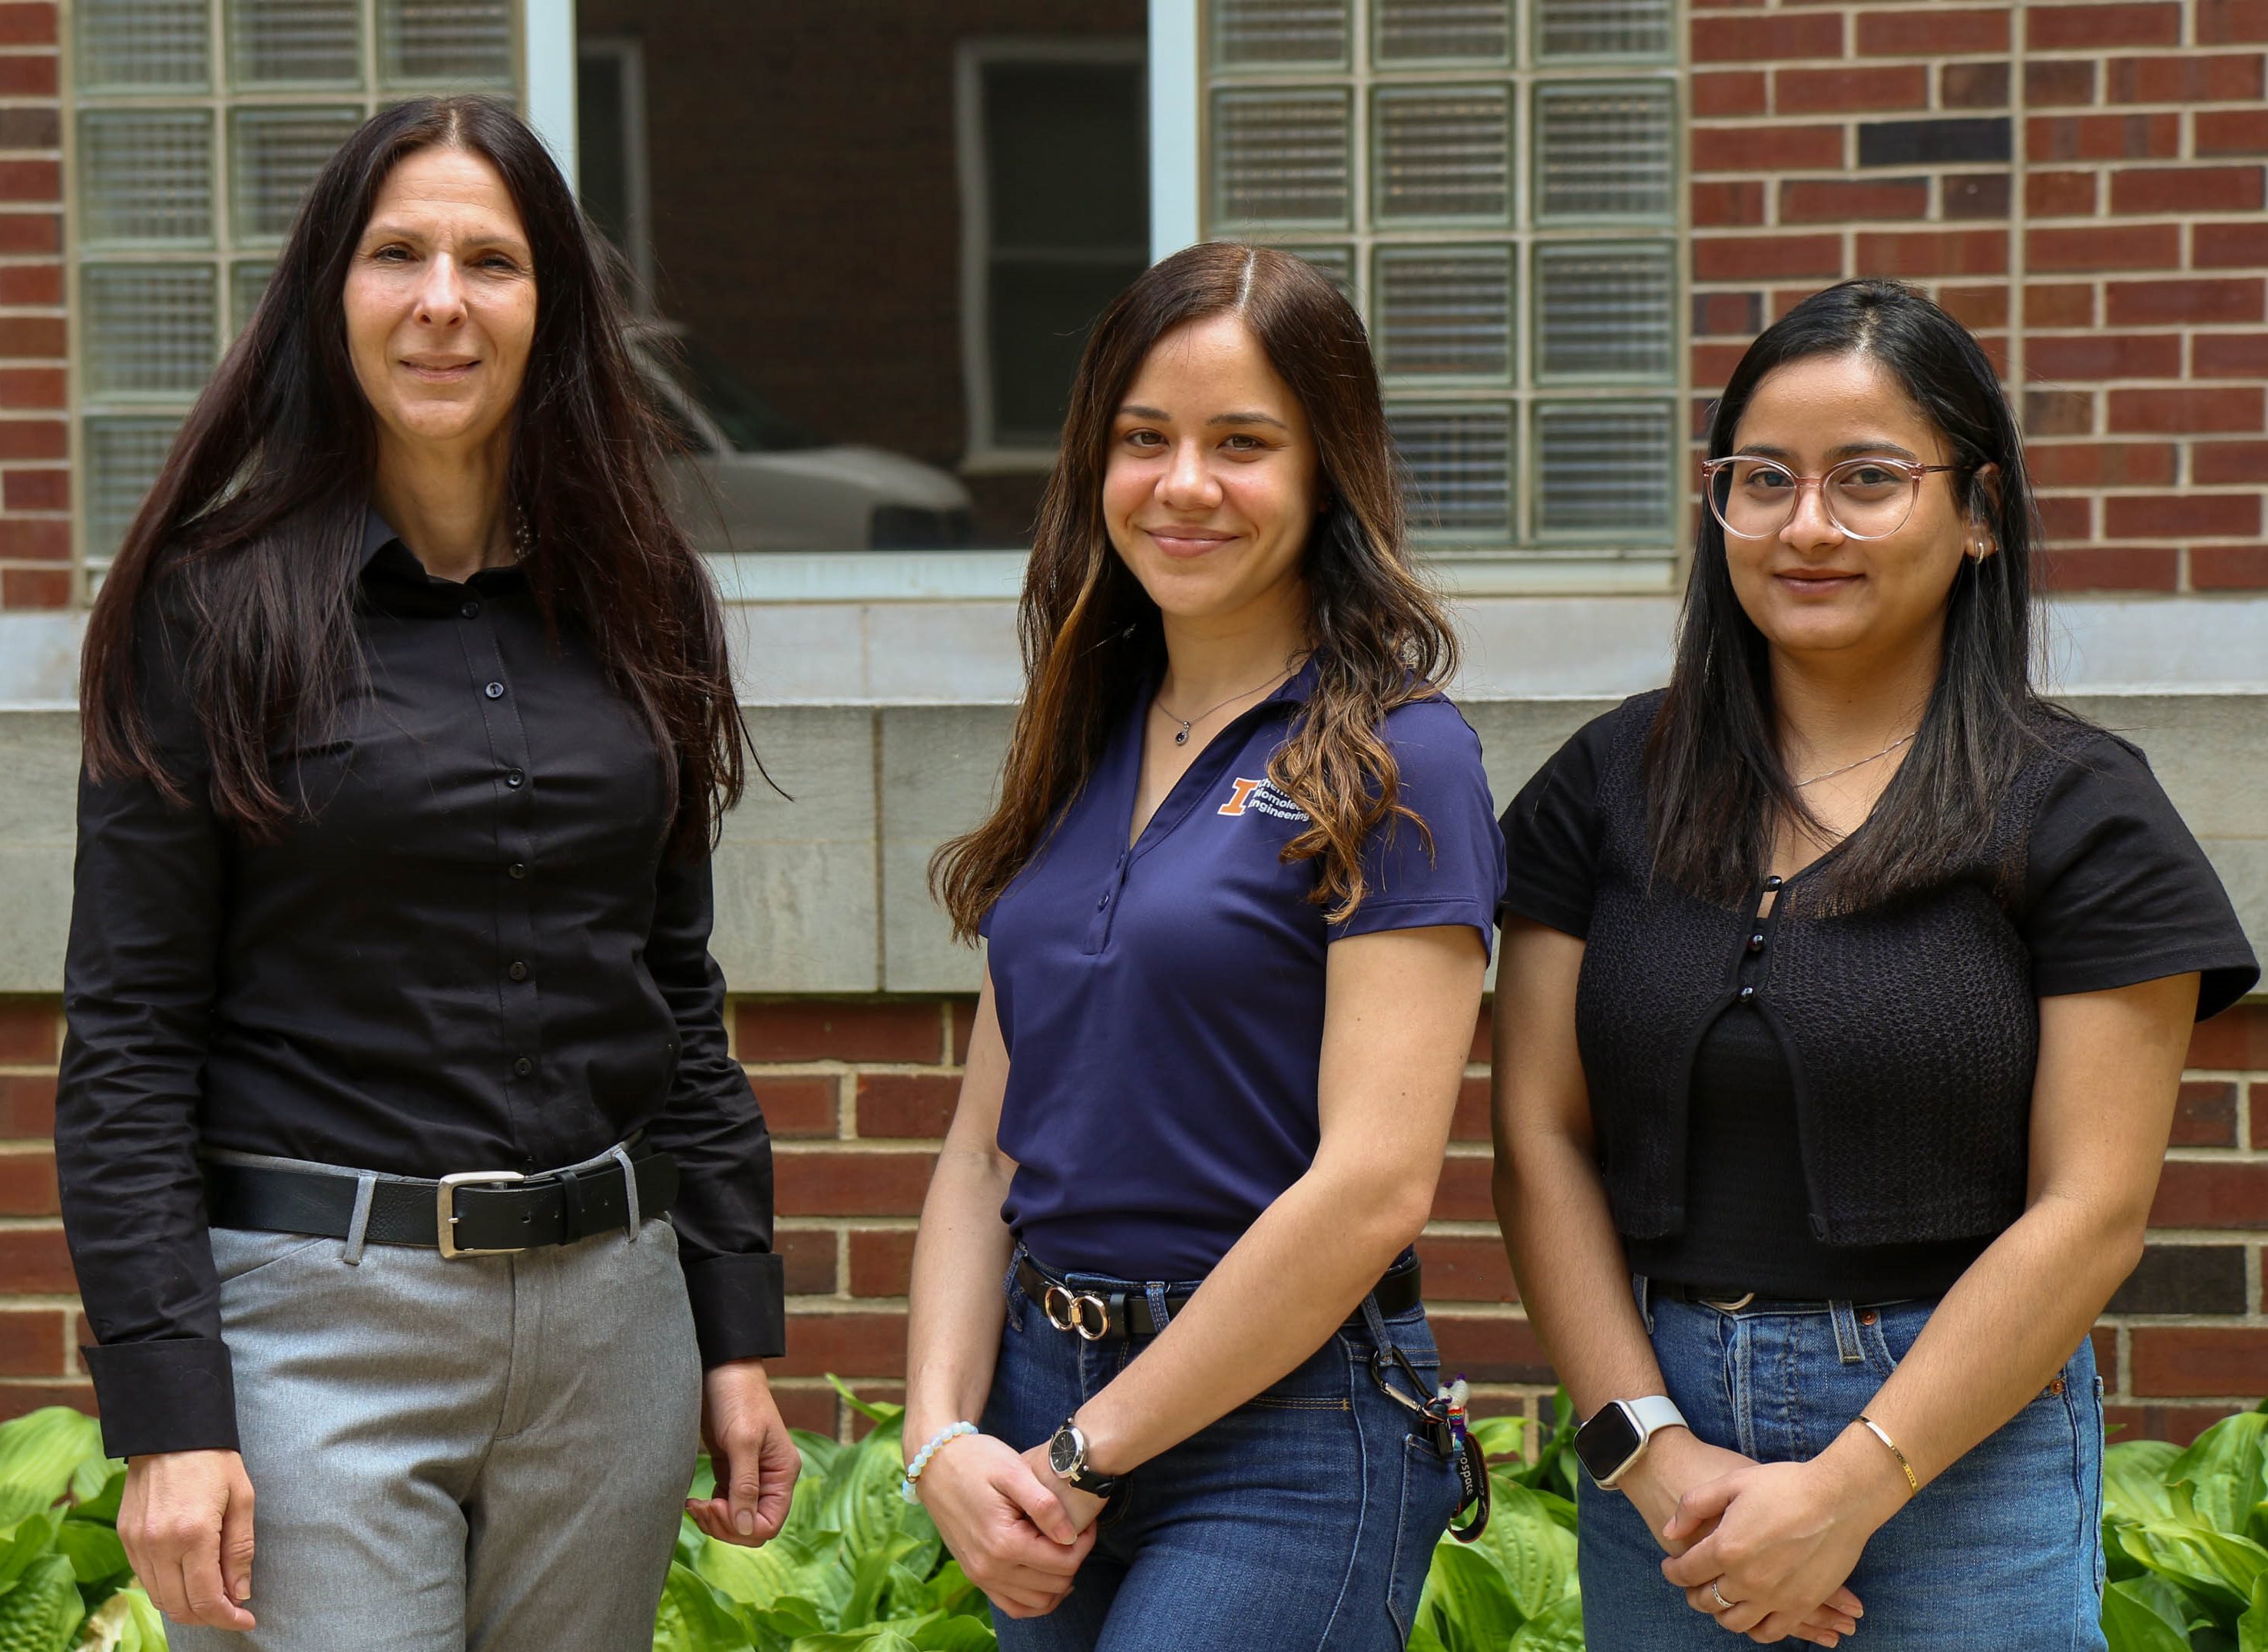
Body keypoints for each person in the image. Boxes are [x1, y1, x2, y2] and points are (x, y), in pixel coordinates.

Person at [57, 96, 798, 1650]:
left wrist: (733, 1329)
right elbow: (127, 1044)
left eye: (491, 259)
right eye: (398, 254)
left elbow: (673, 988)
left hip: (613, 1330)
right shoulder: (208, 611)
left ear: (554, 309)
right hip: (315, 1330)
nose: (442, 298)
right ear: (331, 294)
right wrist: (167, 1414)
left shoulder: (642, 604)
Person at [1490, 277, 2260, 1650]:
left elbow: (2087, 1212)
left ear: (1975, 515)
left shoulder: (2078, 806)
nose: (1806, 525)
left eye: (1866, 479)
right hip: (1659, 1446)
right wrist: (1648, 1451)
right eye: (1761, 480)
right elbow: (1541, 1140)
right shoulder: (1606, 785)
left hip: (1958, 1447)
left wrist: (1851, 1487)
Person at [899, 242, 1504, 1650]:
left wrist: (1084, 1455)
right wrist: (941, 1442)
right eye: (1142, 439)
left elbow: (1371, 1186)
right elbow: (983, 1148)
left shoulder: (1401, 759)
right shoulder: (1078, 737)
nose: (1182, 485)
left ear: (1324, 470)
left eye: (1242, 443)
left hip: (1286, 1430)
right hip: (1038, 1400)